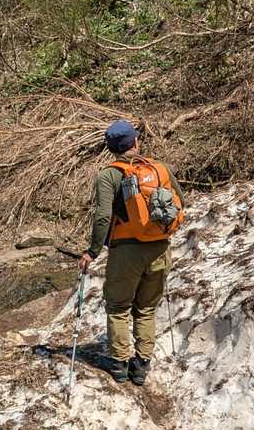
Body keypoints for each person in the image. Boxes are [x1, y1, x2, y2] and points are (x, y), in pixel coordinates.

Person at [78, 119, 184, 386]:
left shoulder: (108, 176)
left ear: (111, 148)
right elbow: (180, 201)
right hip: (159, 248)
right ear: (135, 142)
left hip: (125, 251)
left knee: (118, 307)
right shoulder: (159, 169)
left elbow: (103, 217)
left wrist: (93, 251)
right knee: (146, 308)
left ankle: (120, 365)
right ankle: (142, 364)